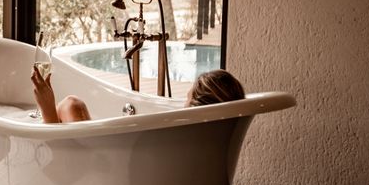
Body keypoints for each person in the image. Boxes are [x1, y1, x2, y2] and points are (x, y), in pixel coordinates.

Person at [30, 67, 245, 124]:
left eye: (187, 99)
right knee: (71, 104)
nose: (183, 105)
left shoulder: (181, 131)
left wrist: (48, 108)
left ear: (196, 106)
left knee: (70, 104)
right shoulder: (206, 139)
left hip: (106, 174)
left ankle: (47, 116)